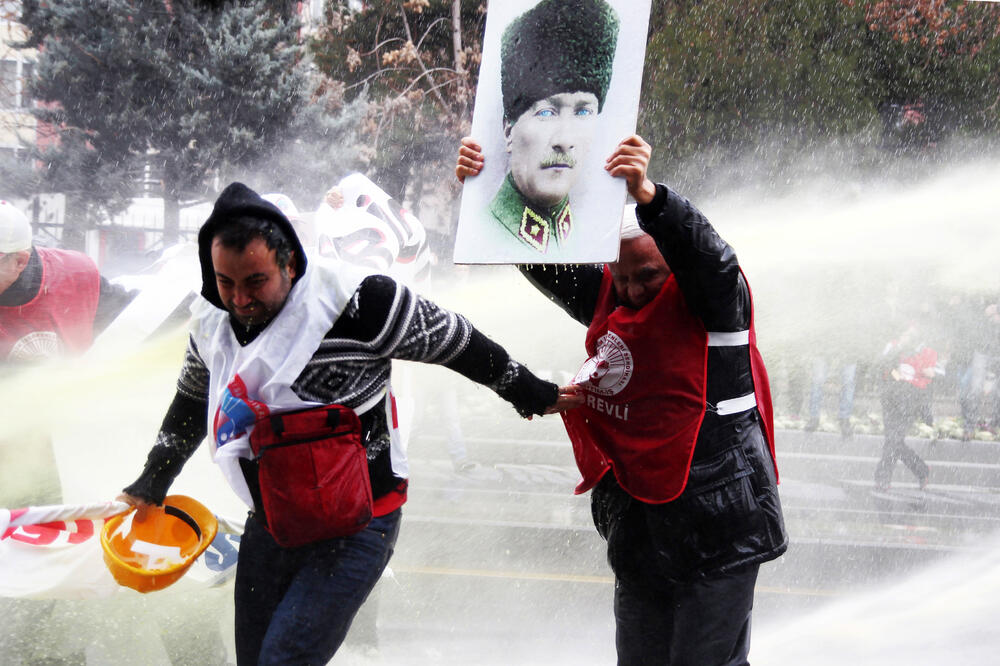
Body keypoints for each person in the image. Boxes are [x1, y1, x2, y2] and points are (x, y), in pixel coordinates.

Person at [116, 182, 581, 665]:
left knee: (284, 660)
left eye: (255, 282)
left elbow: (458, 341)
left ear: (290, 263)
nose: (240, 300)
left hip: (359, 521)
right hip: (272, 519)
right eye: (225, 282)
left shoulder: (361, 302)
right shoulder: (210, 320)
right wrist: (155, 477)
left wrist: (530, 391)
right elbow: (192, 398)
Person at [458, 134, 787, 665]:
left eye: (648, 276)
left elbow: (710, 256)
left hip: (717, 523)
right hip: (640, 529)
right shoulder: (609, 293)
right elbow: (533, 250)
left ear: (673, 267)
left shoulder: (716, 299)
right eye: (622, 276)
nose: (632, 290)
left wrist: (650, 196)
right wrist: (488, 182)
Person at [488, 0, 619, 253]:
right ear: (508, 131)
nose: (565, 139)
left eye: (583, 111)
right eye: (546, 112)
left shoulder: (590, 240)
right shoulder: (485, 235)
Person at [875, 322, 942, 490]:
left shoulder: (927, 352)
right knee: (893, 441)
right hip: (891, 398)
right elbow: (884, 365)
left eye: (912, 334)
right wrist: (897, 377)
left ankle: (883, 478)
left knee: (894, 440)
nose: (908, 337)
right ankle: (921, 471)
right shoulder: (894, 347)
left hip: (911, 401)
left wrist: (929, 375)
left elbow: (936, 374)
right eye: (906, 333)